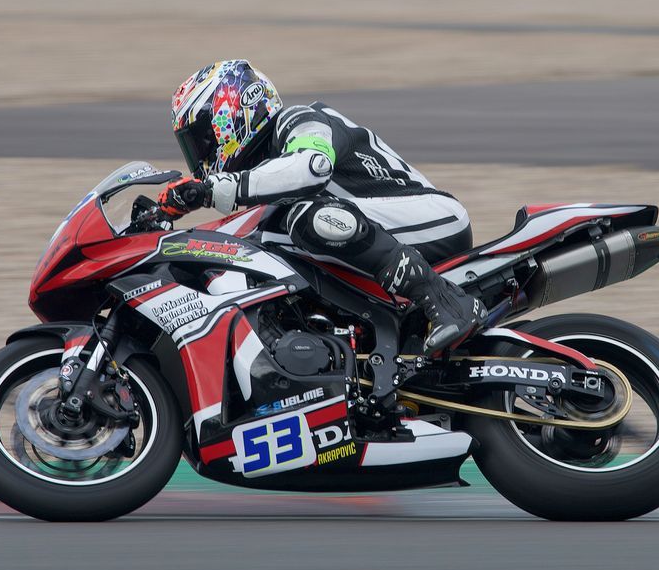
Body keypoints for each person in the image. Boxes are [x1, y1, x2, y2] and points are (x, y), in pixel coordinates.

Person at [159, 59, 481, 356]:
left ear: (230, 114)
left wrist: (212, 190)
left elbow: (311, 168)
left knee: (306, 220)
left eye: (201, 141)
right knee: (261, 243)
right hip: (388, 230)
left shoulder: (299, 120)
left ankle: (447, 300)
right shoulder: (268, 178)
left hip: (434, 216)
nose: (200, 159)